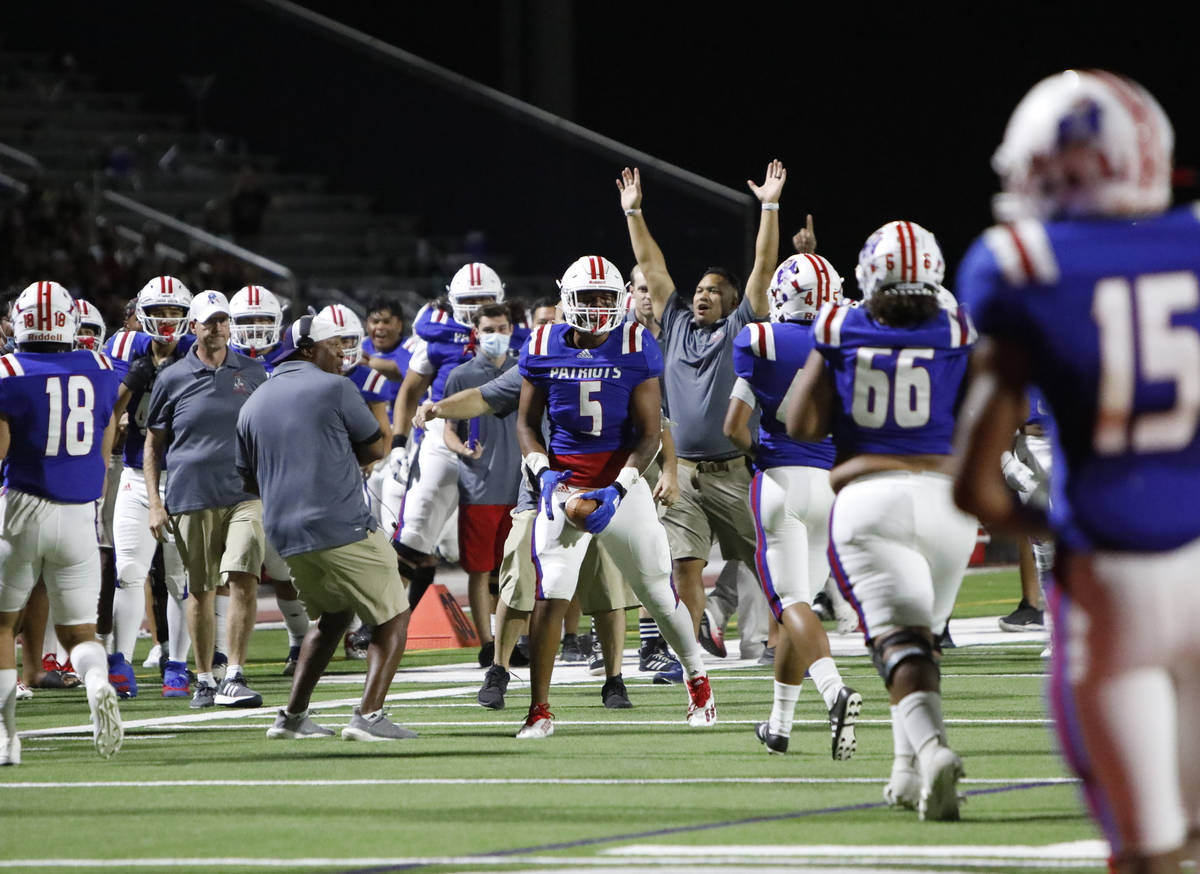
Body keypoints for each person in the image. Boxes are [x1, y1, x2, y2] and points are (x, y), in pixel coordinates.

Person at [953, 70, 1199, 871]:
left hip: (1111, 586)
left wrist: (1062, 528)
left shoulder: (1023, 263)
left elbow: (976, 486)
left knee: (1146, 851)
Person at [786, 221, 978, 820]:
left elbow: (802, 424)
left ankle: (933, 751)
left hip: (870, 498)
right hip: (950, 504)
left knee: (898, 642)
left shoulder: (841, 326)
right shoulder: (960, 329)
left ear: (870, 273)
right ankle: (904, 772)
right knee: (919, 642)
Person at [515, 255, 715, 738]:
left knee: (657, 594)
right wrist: (543, 475)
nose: (600, 306)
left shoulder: (634, 342)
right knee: (552, 593)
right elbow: (526, 423)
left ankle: (698, 682)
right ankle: (539, 709)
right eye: (590, 297)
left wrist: (620, 487)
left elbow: (650, 432)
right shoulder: (542, 342)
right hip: (564, 486)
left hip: (621, 486)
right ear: (568, 298)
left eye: (608, 297)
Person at [415, 302, 641, 711]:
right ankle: (499, 669)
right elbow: (484, 398)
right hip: (541, 488)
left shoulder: (622, 357)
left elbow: (652, 424)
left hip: (598, 488)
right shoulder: (541, 360)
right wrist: (438, 409)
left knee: (606, 586)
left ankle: (614, 678)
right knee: (518, 579)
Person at [616, 163, 778, 641]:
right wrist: (634, 213)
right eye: (701, 289)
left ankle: (777, 642)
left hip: (732, 472)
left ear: (733, 303)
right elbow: (652, 266)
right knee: (685, 563)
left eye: (715, 291)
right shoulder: (679, 324)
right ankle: (692, 656)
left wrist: (769, 206)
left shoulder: (740, 328)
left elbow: (762, 269)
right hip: (682, 471)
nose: (704, 295)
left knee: (766, 561)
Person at [236, 313, 416, 741]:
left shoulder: (252, 402)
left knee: (333, 617)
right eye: (332, 345)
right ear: (307, 349)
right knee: (394, 613)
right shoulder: (336, 387)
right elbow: (376, 445)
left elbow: (247, 477)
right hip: (339, 521)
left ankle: (292, 717)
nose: (340, 354)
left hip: (284, 532)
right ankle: (369, 716)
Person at [724, 252, 861, 758]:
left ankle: (833, 690)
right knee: (798, 604)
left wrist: (761, 453)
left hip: (781, 478)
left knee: (790, 604)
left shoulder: (760, 343)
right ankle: (779, 726)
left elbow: (733, 428)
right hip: (830, 485)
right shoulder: (847, 341)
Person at [0, 280, 123, 763]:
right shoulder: (100, 367)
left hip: (22, 509)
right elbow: (107, 425)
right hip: (79, 515)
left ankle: (7, 735)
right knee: (79, 634)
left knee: (3, 626)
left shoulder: (8, 371)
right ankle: (95, 680)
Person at [144, 290, 268, 709]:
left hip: (245, 493)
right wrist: (155, 501)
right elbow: (153, 444)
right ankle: (203, 678)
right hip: (191, 495)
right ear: (193, 327)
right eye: (209, 321)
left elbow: (269, 432)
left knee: (243, 576)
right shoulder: (172, 377)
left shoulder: (254, 371)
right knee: (200, 590)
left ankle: (233, 672)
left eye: (223, 320)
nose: (217, 327)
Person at [386, 264, 506, 613]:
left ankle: (508, 639)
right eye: (469, 299)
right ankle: (382, 621)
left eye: (484, 298)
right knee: (414, 531)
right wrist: (398, 443)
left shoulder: (515, 334)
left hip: (498, 438)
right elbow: (409, 391)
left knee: (504, 543)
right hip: (443, 434)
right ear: (452, 300)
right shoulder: (436, 335)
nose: (476, 305)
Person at [105, 276, 195, 699]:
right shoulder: (126, 351)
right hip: (137, 475)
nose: (166, 320)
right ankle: (120, 660)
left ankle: (176, 664)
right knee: (128, 572)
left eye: (174, 312)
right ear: (142, 315)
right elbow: (109, 412)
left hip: (184, 477)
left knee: (179, 579)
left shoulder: (200, 354)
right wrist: (129, 389)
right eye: (158, 312)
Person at [229, 285, 312, 677]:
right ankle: (216, 658)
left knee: (284, 574)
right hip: (230, 481)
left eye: (264, 319)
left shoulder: (288, 361)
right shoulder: (219, 362)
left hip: (277, 481)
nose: (257, 327)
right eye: (247, 320)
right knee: (229, 575)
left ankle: (299, 641)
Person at [440, 303, 521, 666]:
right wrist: (463, 451)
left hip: (521, 485)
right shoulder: (461, 375)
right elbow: (447, 429)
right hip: (480, 486)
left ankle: (515, 641)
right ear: (476, 331)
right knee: (480, 568)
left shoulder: (525, 369)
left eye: (502, 327)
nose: (496, 334)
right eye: (489, 328)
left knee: (517, 568)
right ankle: (487, 643)